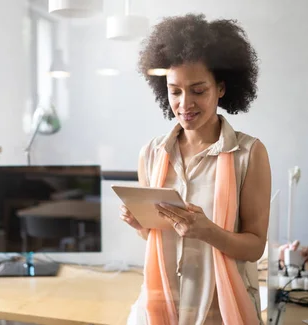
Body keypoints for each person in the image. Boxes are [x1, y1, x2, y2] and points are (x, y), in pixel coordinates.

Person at [120, 14, 271, 325]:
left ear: (221, 88)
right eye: (175, 91)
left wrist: (208, 231)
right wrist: (140, 226)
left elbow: (255, 247)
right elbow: (161, 238)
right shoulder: (151, 153)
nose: (184, 103)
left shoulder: (249, 154)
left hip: (219, 309)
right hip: (160, 304)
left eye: (198, 90)